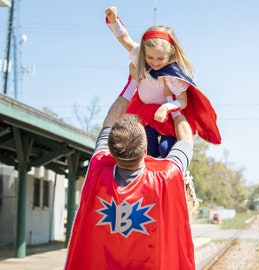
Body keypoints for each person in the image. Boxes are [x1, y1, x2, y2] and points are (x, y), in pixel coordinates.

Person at [64, 95, 196, 269]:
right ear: (145, 149)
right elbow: (186, 139)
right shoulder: (166, 176)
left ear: (112, 150)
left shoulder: (97, 170)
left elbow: (108, 123)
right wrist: (173, 102)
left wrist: (131, 86)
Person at [105, 6, 221, 158]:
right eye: (150, 58)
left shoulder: (173, 75)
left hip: (167, 116)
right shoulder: (139, 55)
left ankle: (179, 173)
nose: (154, 62)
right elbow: (124, 38)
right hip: (145, 112)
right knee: (147, 150)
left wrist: (167, 107)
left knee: (166, 149)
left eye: (160, 58)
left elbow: (182, 101)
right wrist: (114, 21)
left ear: (170, 54)